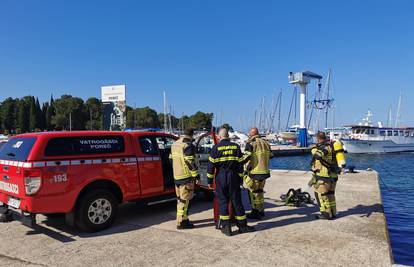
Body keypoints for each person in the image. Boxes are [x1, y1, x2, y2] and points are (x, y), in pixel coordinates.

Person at [206, 127, 255, 236]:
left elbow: (210, 167)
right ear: (228, 136)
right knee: (237, 202)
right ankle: (242, 226)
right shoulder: (236, 147)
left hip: (221, 177)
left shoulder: (215, 148)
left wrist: (209, 181)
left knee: (223, 202)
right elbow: (240, 165)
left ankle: (226, 228)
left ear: (219, 137)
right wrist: (240, 179)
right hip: (233, 177)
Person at [309, 132, 343, 220]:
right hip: (333, 175)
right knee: (331, 194)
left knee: (321, 194)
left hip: (324, 176)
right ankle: (333, 212)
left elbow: (318, 155)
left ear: (317, 138)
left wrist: (313, 148)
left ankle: (326, 214)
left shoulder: (325, 147)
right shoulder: (331, 146)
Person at [170, 128, 199, 229]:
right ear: (192, 135)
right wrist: (195, 175)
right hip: (186, 177)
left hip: (177, 176)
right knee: (185, 200)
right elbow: (189, 161)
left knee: (180, 200)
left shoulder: (175, 144)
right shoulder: (187, 145)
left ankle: (182, 219)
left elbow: (170, 159)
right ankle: (182, 222)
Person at [242, 127, 271, 220]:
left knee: (253, 192)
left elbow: (245, 158)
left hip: (255, 172)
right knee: (260, 192)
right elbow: (271, 156)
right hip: (265, 172)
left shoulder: (251, 143)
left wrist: (237, 162)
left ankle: (255, 212)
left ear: (251, 134)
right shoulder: (266, 143)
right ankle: (261, 210)